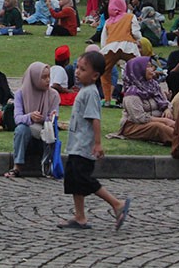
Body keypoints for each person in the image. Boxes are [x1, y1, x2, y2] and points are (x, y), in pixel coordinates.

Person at [58, 51, 131, 231]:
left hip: (84, 147)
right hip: (75, 145)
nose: (77, 72)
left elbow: (95, 119)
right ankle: (80, 216)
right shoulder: (84, 91)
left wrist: (97, 143)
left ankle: (117, 204)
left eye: (82, 69)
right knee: (73, 180)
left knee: (83, 179)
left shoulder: (90, 93)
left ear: (95, 75)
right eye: (77, 67)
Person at [3, 62, 60, 178]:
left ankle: (48, 166)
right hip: (27, 136)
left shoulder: (53, 95)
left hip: (45, 136)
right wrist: (30, 117)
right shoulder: (21, 94)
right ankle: (17, 166)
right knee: (21, 129)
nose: (48, 80)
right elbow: (17, 118)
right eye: (44, 77)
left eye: (49, 76)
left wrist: (44, 118)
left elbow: (54, 118)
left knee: (50, 131)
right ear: (34, 78)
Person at [116, 57, 175, 144]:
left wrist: (167, 109)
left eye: (151, 66)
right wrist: (165, 121)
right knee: (158, 127)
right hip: (135, 126)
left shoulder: (154, 85)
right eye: (148, 67)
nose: (152, 69)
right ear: (138, 70)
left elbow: (166, 102)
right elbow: (139, 118)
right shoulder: (132, 93)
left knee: (177, 121)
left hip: (157, 120)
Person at [100, 0, 141, 107]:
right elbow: (136, 33)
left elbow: (103, 40)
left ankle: (107, 99)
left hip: (111, 47)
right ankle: (138, 95)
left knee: (105, 72)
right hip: (128, 46)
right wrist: (138, 40)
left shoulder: (108, 22)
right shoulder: (130, 17)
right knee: (137, 70)